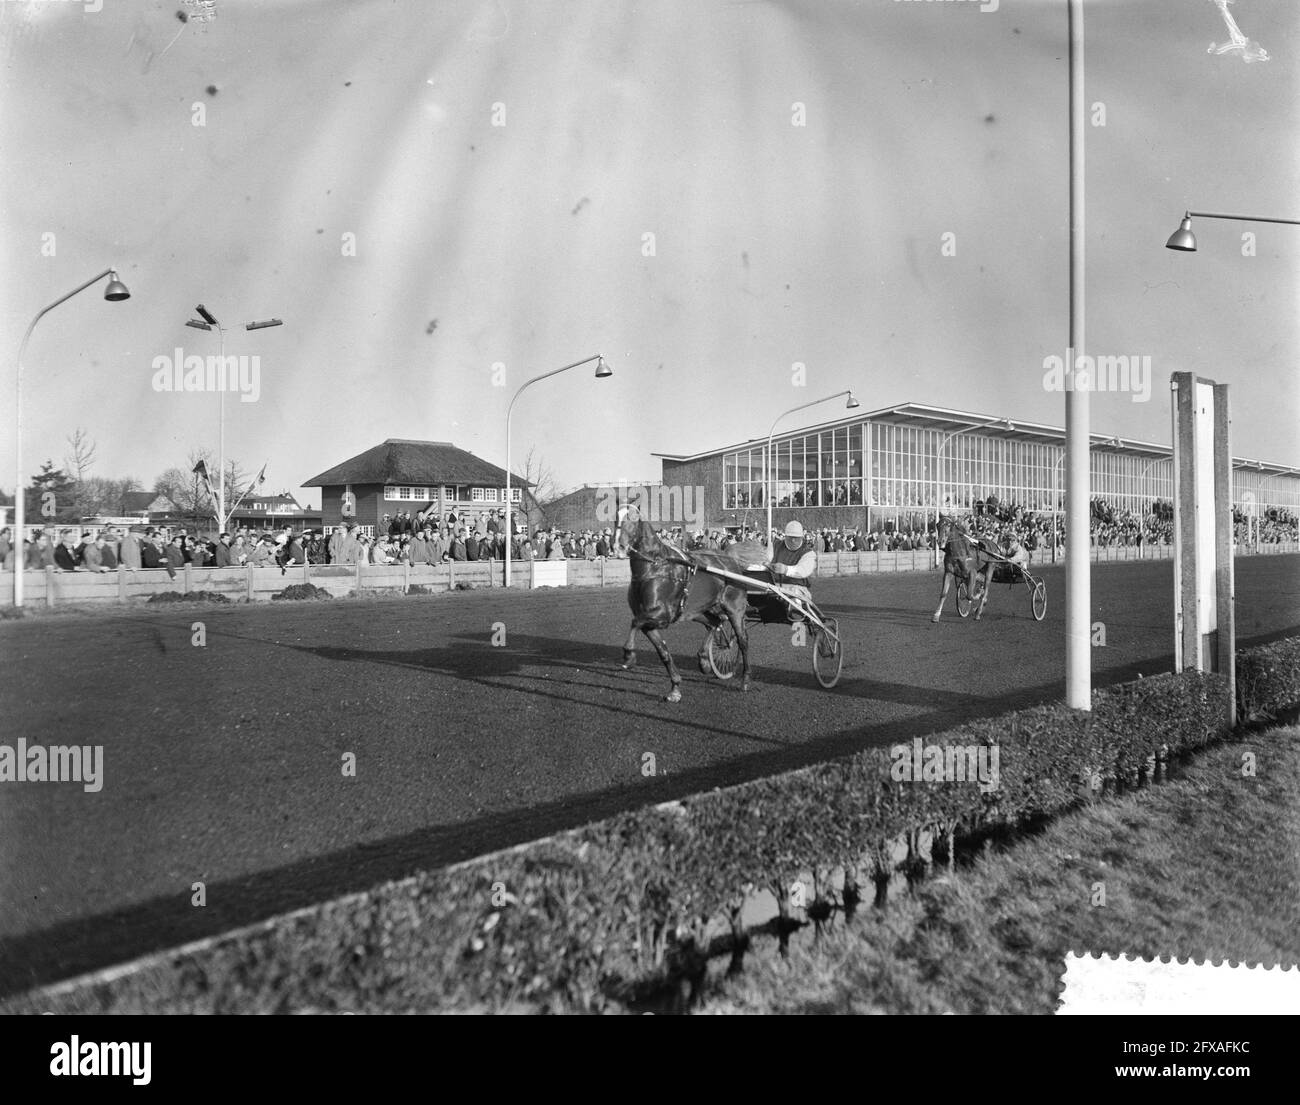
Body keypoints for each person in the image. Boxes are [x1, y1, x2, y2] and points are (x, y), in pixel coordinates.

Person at [766, 519, 816, 614]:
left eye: (796, 538)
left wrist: (786, 569)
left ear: (802, 537)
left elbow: (804, 570)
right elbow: (765, 560)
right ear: (785, 536)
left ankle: (796, 613)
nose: (793, 540)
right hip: (774, 587)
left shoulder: (808, 553)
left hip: (797, 587)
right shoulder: (774, 546)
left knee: (795, 593)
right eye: (790, 537)